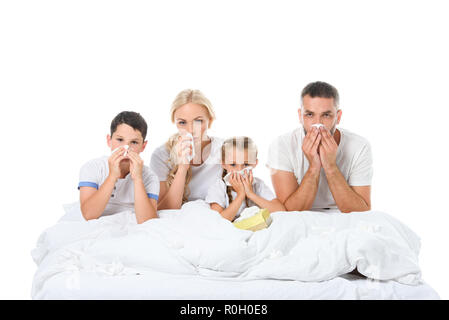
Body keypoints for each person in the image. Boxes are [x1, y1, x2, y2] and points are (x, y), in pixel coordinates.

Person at [266, 81, 372, 213]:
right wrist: (314, 167)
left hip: (343, 216)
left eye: (326, 115)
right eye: (309, 115)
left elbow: (362, 212)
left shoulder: (359, 146)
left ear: (338, 117)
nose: (317, 124)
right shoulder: (281, 146)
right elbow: (289, 212)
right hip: (300, 217)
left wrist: (330, 167)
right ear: (300, 116)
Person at [78, 111, 159, 224]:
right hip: (98, 223)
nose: (126, 148)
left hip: (130, 224)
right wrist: (112, 177)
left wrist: (137, 179)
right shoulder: (92, 167)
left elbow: (147, 221)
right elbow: (89, 215)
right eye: (120, 140)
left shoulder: (150, 177)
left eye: (134, 142)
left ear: (143, 146)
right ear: (109, 140)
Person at [150, 89, 223, 209]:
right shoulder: (161, 155)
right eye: (182, 122)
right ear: (175, 123)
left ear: (210, 121)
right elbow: (163, 209)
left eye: (198, 121)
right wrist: (182, 168)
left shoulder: (224, 150)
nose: (190, 130)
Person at [206, 137, 285, 221]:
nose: (239, 170)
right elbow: (218, 221)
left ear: (254, 163)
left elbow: (280, 210)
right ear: (224, 164)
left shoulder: (258, 184)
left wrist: (250, 194)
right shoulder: (218, 187)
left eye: (246, 164)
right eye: (233, 164)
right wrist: (240, 195)